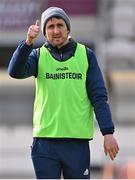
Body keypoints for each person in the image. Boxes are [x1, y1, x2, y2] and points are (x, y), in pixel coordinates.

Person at [8, 7, 119, 179]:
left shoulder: (86, 55)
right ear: (44, 32)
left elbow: (99, 97)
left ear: (68, 28)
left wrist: (108, 132)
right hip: (45, 142)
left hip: (76, 143)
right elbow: (14, 71)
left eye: (60, 25)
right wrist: (28, 42)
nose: (56, 30)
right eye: (50, 27)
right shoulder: (38, 56)